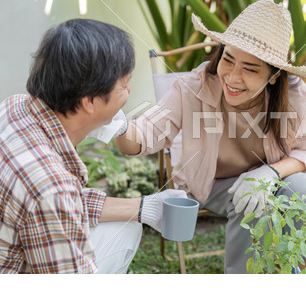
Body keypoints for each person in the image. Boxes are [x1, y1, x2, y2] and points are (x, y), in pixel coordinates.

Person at [115, 0, 306, 273]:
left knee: (302, 189)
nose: (233, 77)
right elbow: (141, 138)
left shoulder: (293, 94)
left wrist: (269, 174)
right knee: (249, 200)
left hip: (275, 176)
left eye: (250, 69)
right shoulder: (193, 87)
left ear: (274, 75)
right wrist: (117, 122)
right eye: (228, 59)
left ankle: (303, 273)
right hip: (213, 183)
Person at [0, 19, 186, 274]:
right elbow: (54, 199)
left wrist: (143, 207)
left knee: (125, 225)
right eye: (124, 83)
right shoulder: (51, 188)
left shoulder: (13, 107)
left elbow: (60, 203)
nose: (129, 90)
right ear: (89, 101)